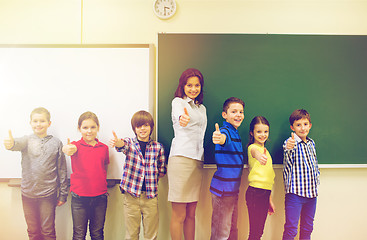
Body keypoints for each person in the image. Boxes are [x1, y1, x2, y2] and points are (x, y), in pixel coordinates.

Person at [3, 107, 68, 240]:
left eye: (42, 121)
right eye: (35, 121)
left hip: (48, 194)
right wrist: (10, 144)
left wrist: (63, 194)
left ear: (49, 123)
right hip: (28, 194)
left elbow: (62, 169)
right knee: (33, 232)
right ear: (30, 123)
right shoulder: (26, 140)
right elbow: (15, 144)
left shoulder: (56, 143)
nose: (38, 124)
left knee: (48, 231)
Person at [109, 110, 166, 240]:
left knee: (151, 236)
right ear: (134, 128)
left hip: (150, 197)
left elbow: (162, 170)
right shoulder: (130, 143)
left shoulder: (158, 147)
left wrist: (151, 174)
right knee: (131, 235)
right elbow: (122, 145)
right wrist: (118, 143)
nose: (142, 129)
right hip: (131, 197)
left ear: (151, 127)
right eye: (139, 126)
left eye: (145, 125)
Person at [167, 68, 207, 240]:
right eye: (189, 85)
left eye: (197, 85)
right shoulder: (178, 103)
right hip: (181, 160)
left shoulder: (201, 108)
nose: (193, 89)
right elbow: (179, 118)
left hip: (197, 161)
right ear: (183, 86)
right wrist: (182, 120)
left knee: (192, 213)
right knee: (179, 215)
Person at [63, 111, 109, 240]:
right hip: (79, 198)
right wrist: (66, 148)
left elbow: (104, 167)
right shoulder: (75, 146)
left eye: (93, 127)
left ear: (98, 128)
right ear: (79, 129)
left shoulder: (104, 148)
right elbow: (67, 149)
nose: (89, 131)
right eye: (85, 127)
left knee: (97, 233)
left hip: (100, 198)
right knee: (79, 235)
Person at [210, 97, 245, 240]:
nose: (238, 115)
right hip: (223, 190)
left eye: (241, 112)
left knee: (231, 229)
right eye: (234, 111)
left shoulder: (235, 132)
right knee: (221, 231)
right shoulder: (226, 131)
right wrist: (219, 137)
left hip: (232, 190)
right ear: (225, 115)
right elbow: (223, 139)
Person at [282, 109, 320, 240]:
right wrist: (289, 146)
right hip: (295, 194)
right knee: (291, 228)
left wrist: (317, 181)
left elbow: (314, 164)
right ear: (292, 128)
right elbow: (288, 151)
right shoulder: (290, 143)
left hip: (312, 194)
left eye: (305, 124)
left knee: (308, 227)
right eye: (298, 125)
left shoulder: (311, 143)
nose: (302, 128)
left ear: (310, 125)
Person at [245, 116, 275, 240]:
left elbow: (267, 179)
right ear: (252, 133)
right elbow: (254, 152)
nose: (263, 135)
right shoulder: (253, 148)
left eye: (265, 131)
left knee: (259, 232)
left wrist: (269, 199)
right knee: (255, 232)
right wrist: (259, 156)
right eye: (259, 132)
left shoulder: (266, 151)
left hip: (264, 194)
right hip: (255, 193)